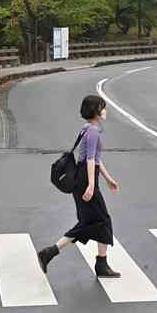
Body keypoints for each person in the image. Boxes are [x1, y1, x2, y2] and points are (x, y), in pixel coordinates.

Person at [37, 95, 121, 278]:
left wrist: (107, 178)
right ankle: (98, 264)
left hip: (83, 179)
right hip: (85, 181)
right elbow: (90, 159)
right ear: (96, 111)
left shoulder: (88, 129)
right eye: (102, 107)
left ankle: (52, 253)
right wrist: (91, 185)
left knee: (93, 222)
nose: (105, 110)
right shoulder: (92, 132)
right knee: (102, 220)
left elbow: (95, 159)